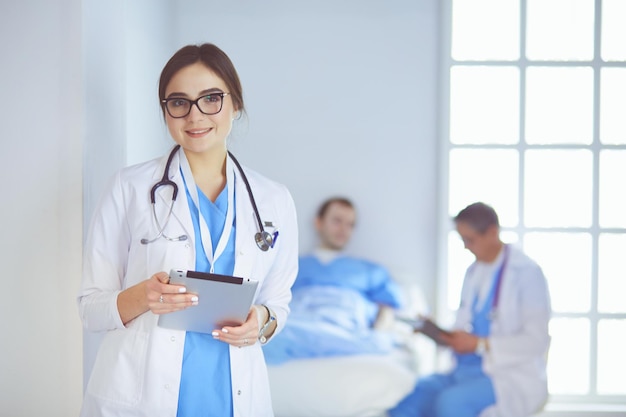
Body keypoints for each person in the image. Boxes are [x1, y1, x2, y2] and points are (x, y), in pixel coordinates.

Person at [77, 43, 299, 417]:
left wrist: (260, 321)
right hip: (143, 396)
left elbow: (278, 303)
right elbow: (90, 308)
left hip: (232, 398)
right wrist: (143, 296)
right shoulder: (129, 188)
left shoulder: (273, 199)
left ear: (236, 104)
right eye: (178, 102)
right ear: (166, 111)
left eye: (211, 99)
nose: (195, 115)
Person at [389, 202, 551, 417]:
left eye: (470, 240)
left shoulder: (527, 274)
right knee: (416, 396)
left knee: (450, 404)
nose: (465, 247)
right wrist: (438, 333)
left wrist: (480, 344)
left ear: (493, 232)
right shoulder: (473, 272)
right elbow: (464, 325)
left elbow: (536, 342)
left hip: (505, 376)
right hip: (465, 370)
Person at [262, 197, 404, 364]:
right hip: (298, 327)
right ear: (318, 223)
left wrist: (378, 333)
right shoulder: (292, 265)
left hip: (346, 330)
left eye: (350, 224)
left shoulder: (370, 271)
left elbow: (387, 310)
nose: (344, 230)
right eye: (337, 221)